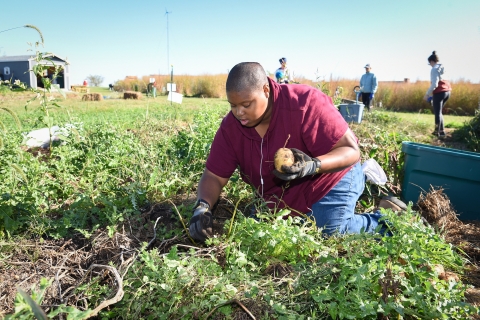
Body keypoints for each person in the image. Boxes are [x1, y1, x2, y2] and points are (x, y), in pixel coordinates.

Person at [188, 62, 403, 242]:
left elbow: (350, 151)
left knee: (329, 230)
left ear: (265, 90)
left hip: (332, 177)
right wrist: (202, 207)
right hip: (282, 194)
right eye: (233, 106)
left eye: (246, 104)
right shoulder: (231, 128)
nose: (238, 113)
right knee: (264, 232)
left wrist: (313, 165)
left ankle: (386, 219)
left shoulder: (304, 102)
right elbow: (214, 176)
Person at [423, 51, 451, 138]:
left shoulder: (434, 69)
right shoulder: (443, 68)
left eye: (429, 63)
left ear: (431, 61)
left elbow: (434, 84)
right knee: (439, 112)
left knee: (437, 112)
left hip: (439, 92)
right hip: (448, 92)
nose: (430, 65)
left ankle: (436, 132)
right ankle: (442, 132)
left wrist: (427, 94)